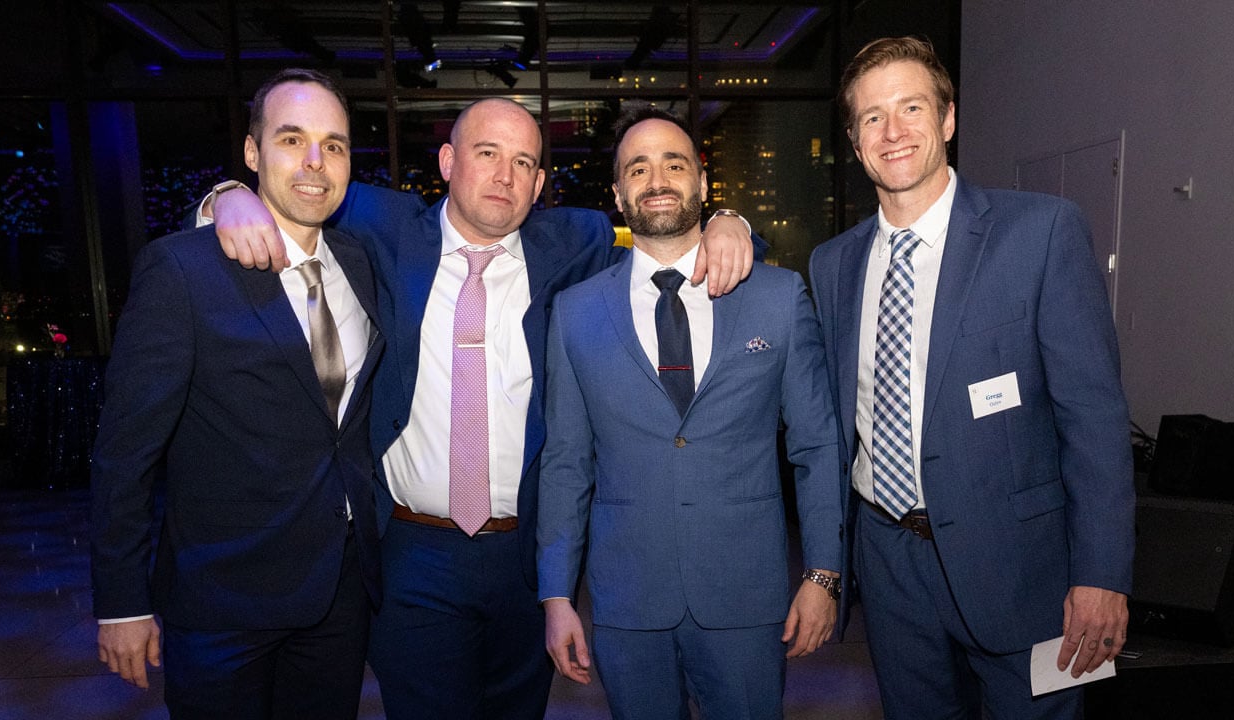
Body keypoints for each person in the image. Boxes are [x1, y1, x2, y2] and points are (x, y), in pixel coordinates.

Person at [204, 97, 758, 719]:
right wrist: (227, 194)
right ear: (447, 161)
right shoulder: (382, 225)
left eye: (524, 161)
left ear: (540, 182)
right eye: (487, 154)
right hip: (412, 551)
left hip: (524, 557)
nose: (505, 174)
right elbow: (298, 186)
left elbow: (679, 244)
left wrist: (729, 219)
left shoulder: (577, 241)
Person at [808, 37, 1135, 718]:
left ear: (949, 118)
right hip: (889, 564)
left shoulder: (1040, 233)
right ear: (853, 138)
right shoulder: (832, 265)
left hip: (1025, 569)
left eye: (911, 107)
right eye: (872, 117)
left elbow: (1094, 420)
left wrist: (1101, 575)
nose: (892, 132)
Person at [89, 68, 382, 719]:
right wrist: (122, 601)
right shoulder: (183, 270)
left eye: (333, 145)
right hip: (223, 602)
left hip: (338, 595)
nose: (315, 162)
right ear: (252, 153)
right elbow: (124, 451)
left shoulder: (360, 262)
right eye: (291, 139)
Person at [537, 104, 843, 720]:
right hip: (627, 602)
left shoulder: (778, 298)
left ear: (702, 183)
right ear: (618, 191)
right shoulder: (575, 312)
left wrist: (824, 574)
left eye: (674, 164)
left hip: (747, 597)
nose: (658, 179)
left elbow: (817, 446)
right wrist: (555, 595)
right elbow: (567, 463)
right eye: (639, 167)